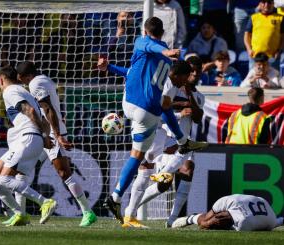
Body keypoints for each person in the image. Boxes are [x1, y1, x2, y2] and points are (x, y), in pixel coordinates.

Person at [99, 17, 208, 224]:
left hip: (132, 107)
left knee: (140, 158)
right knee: (146, 154)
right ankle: (177, 150)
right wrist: (166, 52)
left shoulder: (145, 51)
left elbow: (132, 72)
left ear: (145, 29)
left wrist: (109, 68)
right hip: (147, 113)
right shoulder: (162, 58)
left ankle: (118, 199)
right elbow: (149, 45)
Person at [16, 61, 97, 227]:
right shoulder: (44, 80)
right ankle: (20, 214)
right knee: (21, 170)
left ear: (25, 76)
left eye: (21, 78)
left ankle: (88, 212)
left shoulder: (36, 83)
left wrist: (58, 135)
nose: (20, 81)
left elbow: (48, 109)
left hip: (52, 134)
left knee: (64, 173)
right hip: (43, 133)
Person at [132, 55, 205, 228]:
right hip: (165, 140)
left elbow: (198, 118)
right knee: (163, 184)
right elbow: (158, 113)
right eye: (191, 70)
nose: (194, 74)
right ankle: (132, 208)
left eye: (197, 71)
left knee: (187, 170)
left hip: (183, 143)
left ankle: (171, 220)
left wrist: (190, 97)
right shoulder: (170, 87)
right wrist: (180, 113)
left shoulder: (198, 96)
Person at [0, 65, 56, 226]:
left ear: (1, 80)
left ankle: (45, 202)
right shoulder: (24, 91)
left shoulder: (10, 91)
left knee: (4, 179)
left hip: (28, 138)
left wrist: (44, 136)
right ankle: (20, 213)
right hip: (28, 139)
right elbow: (44, 120)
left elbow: (30, 111)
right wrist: (45, 136)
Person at [171, 194, 284, 231]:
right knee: (205, 220)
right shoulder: (224, 202)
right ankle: (191, 218)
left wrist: (209, 224)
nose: (217, 217)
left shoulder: (243, 225)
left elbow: (280, 220)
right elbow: (280, 221)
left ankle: (191, 218)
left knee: (206, 224)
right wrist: (206, 222)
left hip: (260, 203)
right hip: (258, 202)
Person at [244, 0, 284, 69]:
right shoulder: (253, 17)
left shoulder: (281, 18)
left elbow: (283, 37)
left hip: (272, 57)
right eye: (263, 2)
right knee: (254, 79)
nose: (266, 5)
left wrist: (279, 51)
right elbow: (246, 35)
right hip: (255, 57)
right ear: (259, 4)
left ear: (273, 4)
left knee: (272, 79)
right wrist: (249, 49)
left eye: (269, 2)